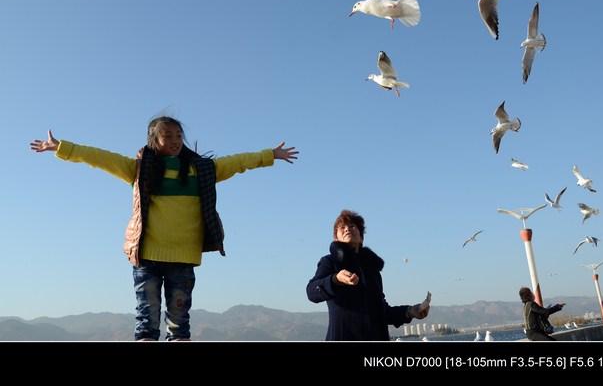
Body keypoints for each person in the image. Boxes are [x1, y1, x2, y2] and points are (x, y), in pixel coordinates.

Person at [29, 117, 298, 341]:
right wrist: (62, 148)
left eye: (179, 135)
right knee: (147, 321)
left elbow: (238, 162)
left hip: (182, 258)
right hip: (147, 256)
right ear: (153, 140)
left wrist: (269, 155)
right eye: (167, 135)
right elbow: (101, 158)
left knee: (179, 325)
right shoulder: (139, 170)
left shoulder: (202, 170)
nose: (174, 140)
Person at [306, 209, 429, 341]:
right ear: (336, 238)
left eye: (352, 226)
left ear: (361, 237)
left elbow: (381, 311)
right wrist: (336, 279)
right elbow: (312, 291)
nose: (347, 229)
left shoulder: (372, 269)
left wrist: (409, 311)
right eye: (342, 227)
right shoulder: (330, 262)